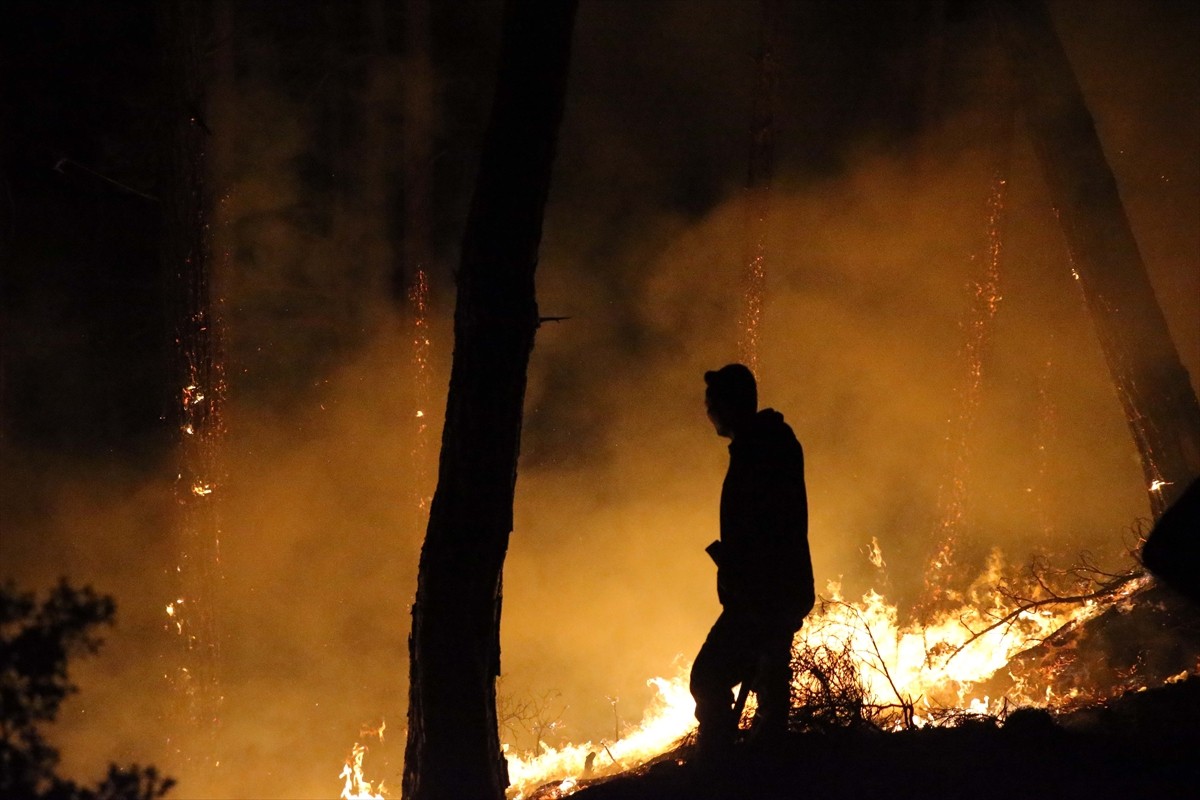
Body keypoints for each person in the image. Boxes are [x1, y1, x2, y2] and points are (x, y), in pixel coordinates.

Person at [690, 363, 815, 759]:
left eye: (712, 403)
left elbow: (767, 528)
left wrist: (742, 574)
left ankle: (718, 763)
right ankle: (761, 757)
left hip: (763, 595)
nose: (708, 411)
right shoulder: (766, 444)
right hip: (772, 591)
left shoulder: (760, 450)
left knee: (708, 677)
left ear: (730, 405)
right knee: (767, 674)